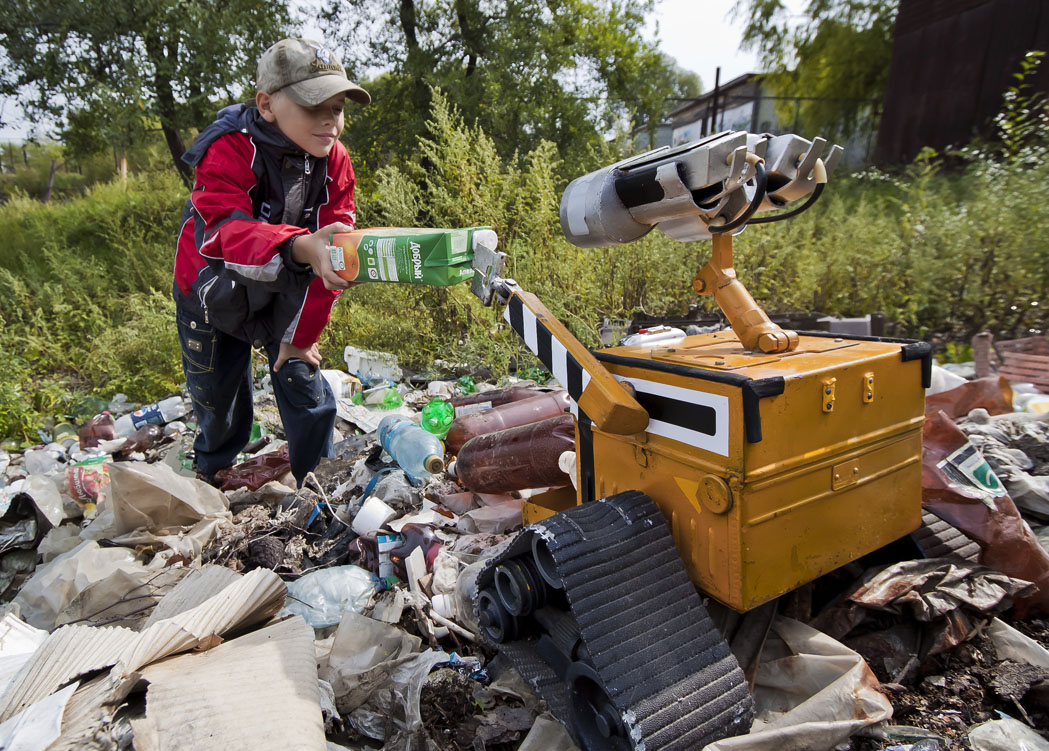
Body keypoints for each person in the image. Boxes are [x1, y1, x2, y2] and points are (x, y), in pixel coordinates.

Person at [172, 38, 370, 486]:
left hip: (285, 286)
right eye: (314, 104)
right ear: (267, 104)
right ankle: (214, 475)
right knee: (218, 399)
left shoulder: (335, 161)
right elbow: (224, 233)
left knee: (302, 378)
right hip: (210, 291)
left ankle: (320, 483)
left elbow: (333, 254)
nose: (330, 120)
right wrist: (303, 247)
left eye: (338, 108)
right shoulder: (229, 148)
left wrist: (300, 337)